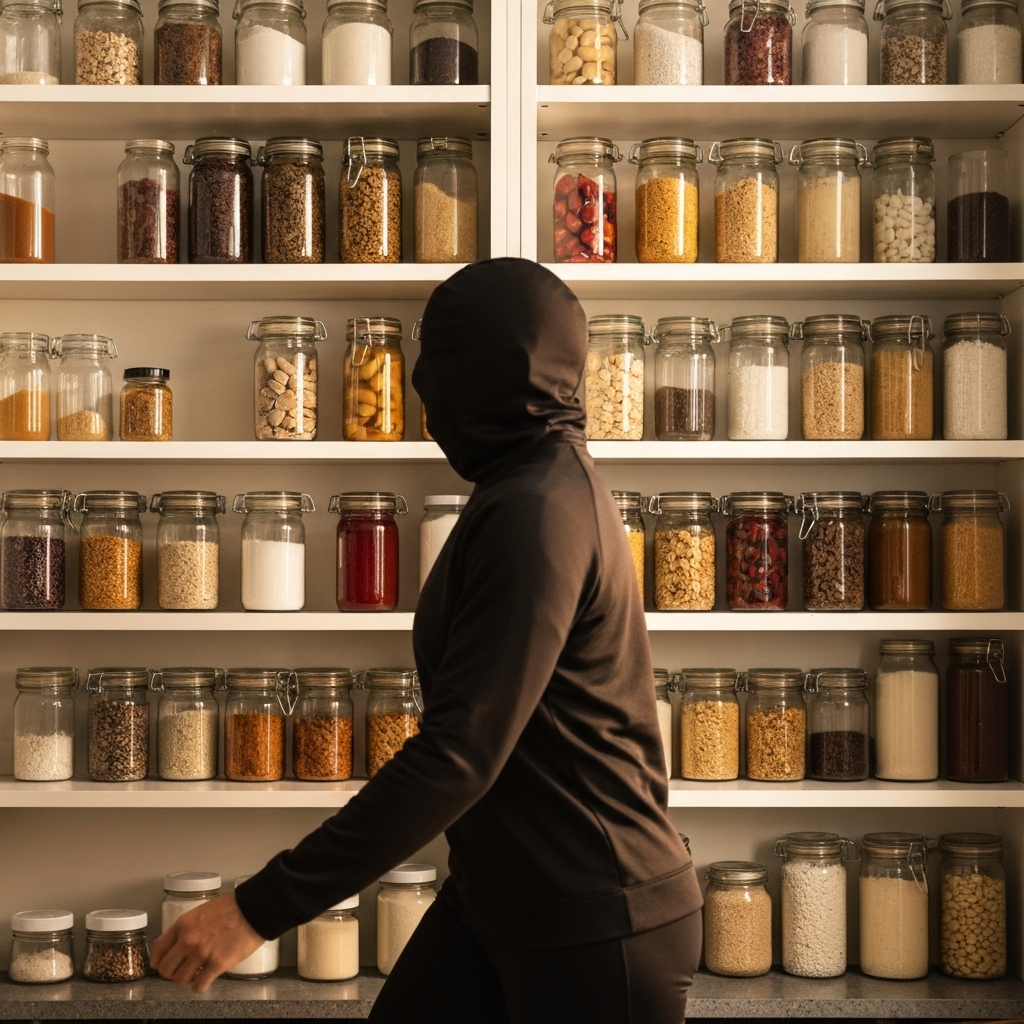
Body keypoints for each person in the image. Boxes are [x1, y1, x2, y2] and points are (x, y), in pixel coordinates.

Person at [151, 258, 703, 1022]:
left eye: (438, 362)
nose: (423, 390)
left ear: (484, 373)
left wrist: (257, 908)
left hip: (596, 921)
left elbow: (458, 754)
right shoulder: (526, 486)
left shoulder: (538, 511)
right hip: (499, 901)